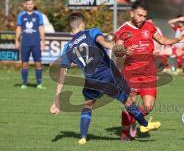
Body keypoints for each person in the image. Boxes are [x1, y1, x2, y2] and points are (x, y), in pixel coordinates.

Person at [50, 12, 161, 145]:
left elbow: (63, 75)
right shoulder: (91, 32)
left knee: (88, 104)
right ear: (82, 24)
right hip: (107, 74)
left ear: (71, 26)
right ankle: (144, 124)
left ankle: (83, 137)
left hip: (91, 80)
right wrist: (119, 48)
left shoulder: (67, 47)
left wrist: (56, 101)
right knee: (127, 99)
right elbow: (104, 42)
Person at [114, 1, 184, 141]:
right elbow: (117, 50)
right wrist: (123, 50)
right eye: (139, 15)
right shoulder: (123, 30)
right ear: (132, 13)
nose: (142, 19)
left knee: (148, 107)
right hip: (131, 74)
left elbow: (163, 40)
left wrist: (178, 39)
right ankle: (125, 134)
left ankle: (135, 120)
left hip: (148, 74)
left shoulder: (149, 26)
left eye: (144, 16)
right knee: (130, 105)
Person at [15, 0, 46, 89]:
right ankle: (24, 83)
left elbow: (41, 28)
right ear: (25, 5)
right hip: (25, 43)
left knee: (38, 63)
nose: (29, 5)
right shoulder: (21, 15)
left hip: (36, 42)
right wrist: (16, 40)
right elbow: (19, 28)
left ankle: (39, 84)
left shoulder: (38, 15)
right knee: (24, 63)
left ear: (34, 4)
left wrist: (43, 41)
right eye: (28, 4)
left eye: (31, 4)